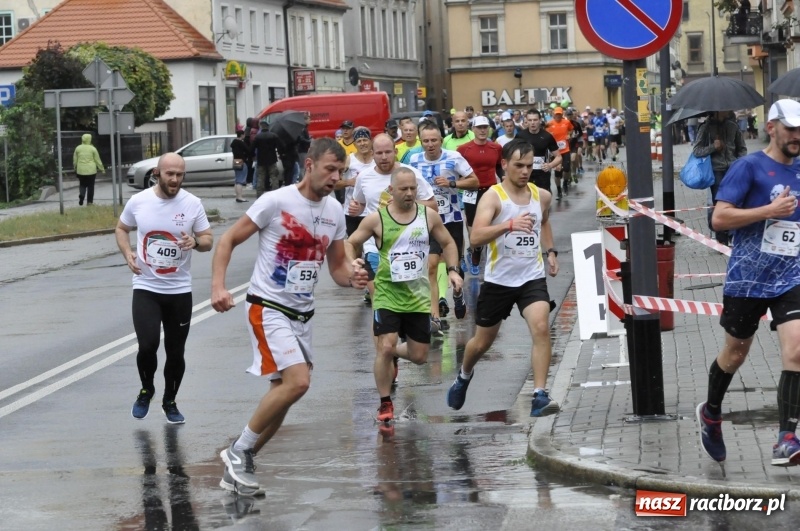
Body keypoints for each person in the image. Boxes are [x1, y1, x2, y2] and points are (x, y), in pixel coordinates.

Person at [211, 138, 369, 493]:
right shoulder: (276, 201)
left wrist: (355, 277)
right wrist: (218, 287)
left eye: (341, 171)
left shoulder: (334, 212)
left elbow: (338, 268)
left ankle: (240, 464)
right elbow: (228, 240)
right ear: (310, 165)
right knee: (298, 382)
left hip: (302, 314)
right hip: (268, 306)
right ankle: (238, 450)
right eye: (330, 169)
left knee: (286, 393)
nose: (335, 177)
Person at [697, 98, 800, 467]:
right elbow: (719, 219)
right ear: (771, 127)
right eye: (790, 129)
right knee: (736, 354)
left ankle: (787, 437)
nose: (796, 136)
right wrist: (768, 212)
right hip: (748, 277)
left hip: (792, 275)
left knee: (797, 350)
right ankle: (710, 412)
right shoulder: (748, 167)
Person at [446, 140, 560, 416]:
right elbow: (475, 237)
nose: (525, 171)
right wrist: (508, 224)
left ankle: (539, 395)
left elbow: (544, 220)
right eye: (519, 166)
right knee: (482, 343)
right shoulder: (494, 197)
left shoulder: (541, 195)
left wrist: (551, 251)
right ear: (505, 165)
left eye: (529, 166)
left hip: (531, 278)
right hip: (499, 281)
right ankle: (464, 374)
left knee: (542, 327)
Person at [345, 167, 464, 422]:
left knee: (420, 357)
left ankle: (396, 354)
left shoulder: (428, 216)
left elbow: (448, 242)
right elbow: (350, 242)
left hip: (418, 298)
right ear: (391, 190)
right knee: (384, 346)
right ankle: (385, 403)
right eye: (404, 189)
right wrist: (353, 262)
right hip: (387, 294)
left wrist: (453, 270)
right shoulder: (376, 219)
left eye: (413, 189)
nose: (410, 193)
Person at [115, 153, 214, 424]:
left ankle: (170, 401)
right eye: (170, 174)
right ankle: (146, 390)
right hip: (146, 287)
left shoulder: (192, 204)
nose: (175, 180)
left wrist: (195, 241)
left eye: (180, 175)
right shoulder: (139, 201)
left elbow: (208, 240)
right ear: (157, 173)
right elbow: (121, 229)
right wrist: (127, 254)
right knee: (147, 346)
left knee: (175, 351)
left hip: (179, 290)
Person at [408, 121, 479, 332]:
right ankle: (434, 316)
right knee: (430, 265)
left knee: (454, 268)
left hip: (452, 219)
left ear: (441, 140)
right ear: (421, 142)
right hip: (427, 221)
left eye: (434, 140)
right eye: (426, 141)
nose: (430, 145)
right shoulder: (413, 159)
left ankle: (457, 294)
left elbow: (474, 181)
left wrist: (452, 184)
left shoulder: (453, 157)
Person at [458, 115, 504, 276]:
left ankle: (483, 257)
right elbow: (457, 171)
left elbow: (499, 167)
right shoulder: (464, 149)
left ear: (489, 129)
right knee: (472, 230)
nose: (483, 130)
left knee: (490, 226)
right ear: (473, 129)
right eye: (479, 127)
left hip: (490, 191)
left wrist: (504, 178)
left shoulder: (496, 148)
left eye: (485, 127)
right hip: (471, 192)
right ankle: (475, 250)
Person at [692, 110, 747, 246]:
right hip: (716, 171)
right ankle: (721, 239)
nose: (728, 110)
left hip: (733, 170)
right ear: (716, 111)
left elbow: (742, 148)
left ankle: (733, 233)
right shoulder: (705, 127)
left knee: (735, 201)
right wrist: (713, 147)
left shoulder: (733, 126)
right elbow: (697, 150)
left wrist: (740, 163)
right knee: (719, 204)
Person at [516, 109, 562, 196]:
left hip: (542, 174)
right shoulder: (520, 136)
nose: (532, 123)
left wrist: (550, 165)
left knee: (543, 201)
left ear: (540, 120)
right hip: (525, 174)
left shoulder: (547, 136)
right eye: (530, 120)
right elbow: (513, 155)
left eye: (535, 120)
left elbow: (559, 157)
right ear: (526, 121)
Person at [249, 118, 284, 197]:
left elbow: (251, 149)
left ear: (261, 127)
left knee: (261, 177)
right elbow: (280, 146)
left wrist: (252, 156)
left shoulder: (258, 137)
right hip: (272, 159)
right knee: (274, 177)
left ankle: (259, 195)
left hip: (261, 160)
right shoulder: (273, 136)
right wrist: (280, 154)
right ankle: (276, 194)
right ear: (268, 127)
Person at [545, 107, 574, 199]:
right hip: (555, 152)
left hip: (565, 149)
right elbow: (545, 135)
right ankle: (559, 190)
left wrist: (569, 135)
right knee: (557, 172)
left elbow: (571, 130)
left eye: (559, 114)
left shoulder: (566, 122)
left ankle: (565, 183)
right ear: (554, 114)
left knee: (566, 169)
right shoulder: (549, 124)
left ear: (562, 114)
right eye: (556, 114)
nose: (558, 116)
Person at [73, 133, 105, 206]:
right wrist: (102, 169)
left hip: (81, 170)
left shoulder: (78, 148)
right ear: (89, 139)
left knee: (82, 184)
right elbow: (97, 160)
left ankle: (81, 196)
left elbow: (75, 160)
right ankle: (89, 202)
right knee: (91, 186)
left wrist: (75, 166)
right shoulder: (93, 149)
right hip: (91, 171)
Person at [230, 130, 249, 203]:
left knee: (237, 179)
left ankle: (237, 195)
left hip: (235, 160)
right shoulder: (241, 143)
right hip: (241, 161)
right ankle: (240, 197)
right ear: (242, 135)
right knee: (240, 180)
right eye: (244, 134)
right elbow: (248, 150)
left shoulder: (234, 143)